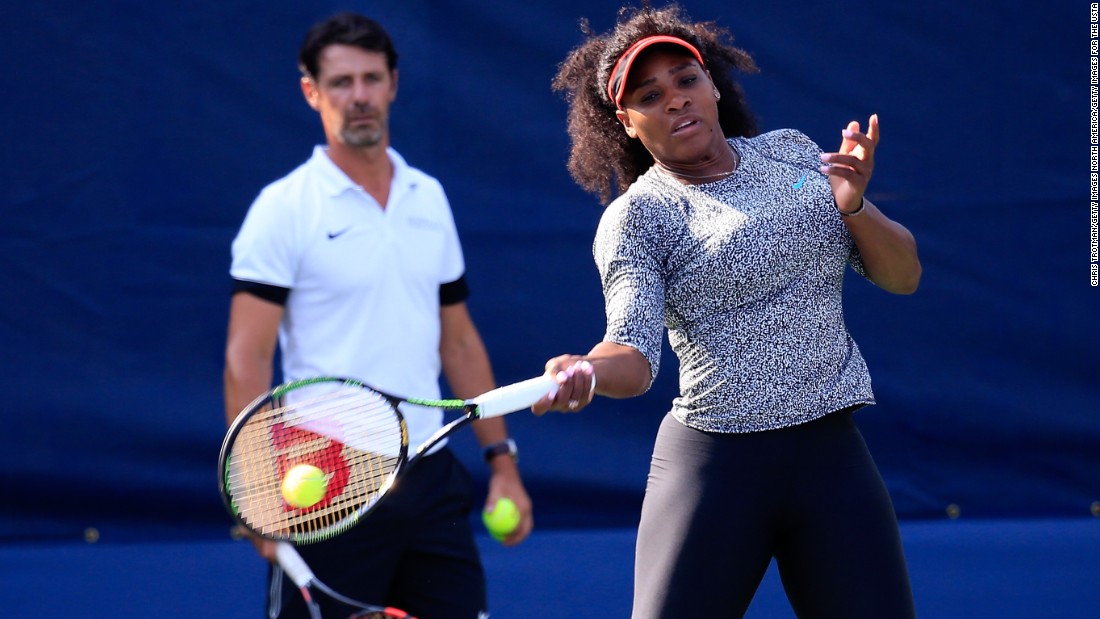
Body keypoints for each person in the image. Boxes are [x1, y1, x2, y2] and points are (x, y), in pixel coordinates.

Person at [532, 4, 921, 618]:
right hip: (717, 470)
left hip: (832, 459)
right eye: (649, 95)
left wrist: (852, 204)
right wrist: (587, 370)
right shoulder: (639, 217)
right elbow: (631, 355)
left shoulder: (792, 158)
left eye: (686, 80)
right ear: (627, 123)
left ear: (712, 84)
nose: (676, 100)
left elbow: (903, 276)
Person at [223, 12, 531, 619]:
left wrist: (502, 462)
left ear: (392, 83)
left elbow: (460, 343)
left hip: (429, 470)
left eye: (371, 78)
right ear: (311, 91)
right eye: (341, 82)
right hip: (322, 480)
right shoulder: (282, 209)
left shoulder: (429, 198)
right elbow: (246, 356)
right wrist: (255, 492)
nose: (358, 96)